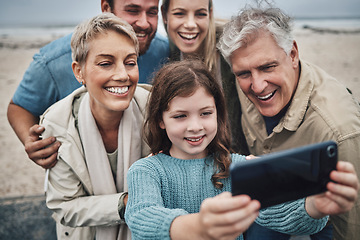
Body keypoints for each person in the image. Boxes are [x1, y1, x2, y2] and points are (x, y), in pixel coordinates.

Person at [124, 60, 359, 240]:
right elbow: (142, 217)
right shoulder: (146, 170)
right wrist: (200, 226)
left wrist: (315, 206)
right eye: (180, 116)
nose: (195, 127)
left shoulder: (237, 167)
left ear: (218, 113)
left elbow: (279, 212)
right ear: (160, 120)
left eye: (206, 113)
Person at [217, 6, 360, 240]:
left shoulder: (339, 130)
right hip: (267, 198)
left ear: (293, 54)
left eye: (267, 67)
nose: (258, 85)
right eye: (243, 73)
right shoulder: (243, 77)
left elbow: (351, 228)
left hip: (324, 215)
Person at [7, 0, 168, 169]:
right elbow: (19, 107)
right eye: (132, 11)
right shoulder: (52, 62)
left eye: (152, 12)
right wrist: (32, 142)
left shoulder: (163, 52)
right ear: (106, 8)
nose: (144, 23)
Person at [40, 13, 150, 239]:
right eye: (106, 63)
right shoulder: (57, 124)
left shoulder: (154, 109)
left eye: (130, 62)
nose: (122, 75)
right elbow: (65, 207)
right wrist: (125, 203)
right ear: (79, 71)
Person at [160, 0, 249, 154]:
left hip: (238, 160)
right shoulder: (167, 55)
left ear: (210, 14)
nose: (190, 24)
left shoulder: (232, 49)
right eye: (180, 13)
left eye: (200, 14)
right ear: (164, 15)